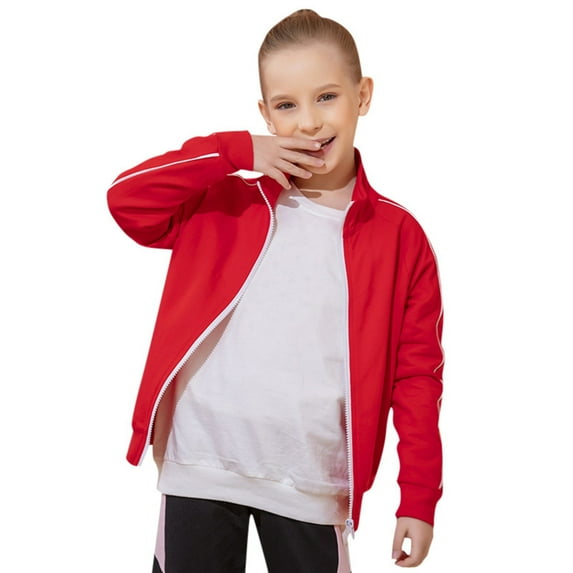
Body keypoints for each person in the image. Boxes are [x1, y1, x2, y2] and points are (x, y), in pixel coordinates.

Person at [107, 9, 444, 572]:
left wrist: (419, 496)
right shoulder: (224, 203)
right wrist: (234, 152)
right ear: (265, 115)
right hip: (201, 464)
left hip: (311, 481)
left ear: (362, 96)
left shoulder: (399, 237)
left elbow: (417, 376)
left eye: (327, 97)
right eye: (286, 106)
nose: (308, 122)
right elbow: (127, 200)